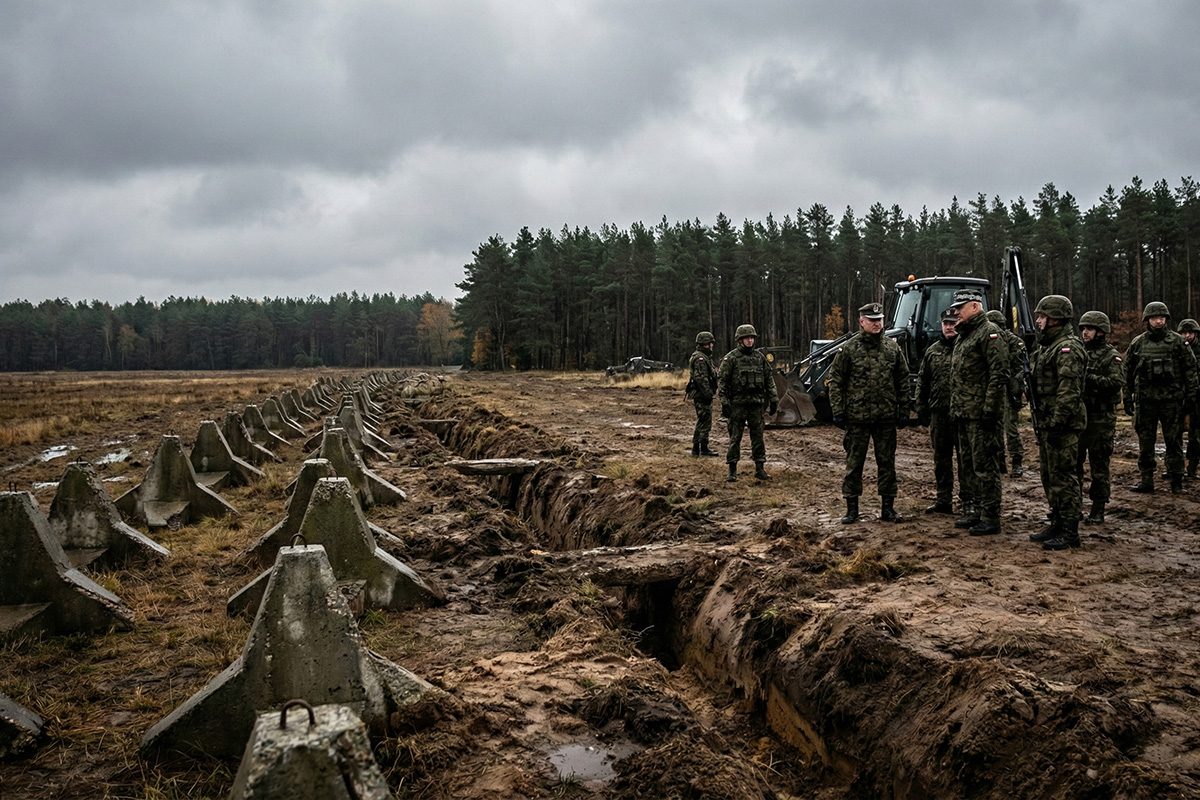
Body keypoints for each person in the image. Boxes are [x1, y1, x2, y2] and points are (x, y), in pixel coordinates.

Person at [826, 302, 910, 523]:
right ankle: (852, 509)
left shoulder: (892, 348)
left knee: (887, 463)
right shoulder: (849, 349)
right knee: (854, 464)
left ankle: (888, 509)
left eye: (880, 320)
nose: (877, 324)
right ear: (861, 321)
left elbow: (902, 379)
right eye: (872, 320)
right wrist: (838, 411)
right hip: (857, 418)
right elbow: (836, 381)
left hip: (885, 417)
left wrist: (904, 409)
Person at [1026, 296, 1086, 550]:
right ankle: (1058, 521)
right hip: (1048, 421)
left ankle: (1070, 531)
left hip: (1063, 424)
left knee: (1064, 476)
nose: (1038, 321)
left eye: (1042, 316)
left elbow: (1068, 391)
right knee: (1049, 475)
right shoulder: (1047, 347)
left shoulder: (1068, 348)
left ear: (1056, 318)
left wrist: (1058, 422)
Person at [948, 289, 1009, 535]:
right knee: (969, 465)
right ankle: (976, 511)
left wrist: (989, 411)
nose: (955, 313)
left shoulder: (990, 334)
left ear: (975, 306)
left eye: (960, 308)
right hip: (964, 412)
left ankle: (990, 516)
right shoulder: (965, 336)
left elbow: (999, 375)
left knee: (985, 466)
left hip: (981, 415)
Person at [1124, 302, 1198, 494]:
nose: (1159, 321)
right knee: (1145, 442)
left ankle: (1176, 480)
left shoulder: (1178, 342)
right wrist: (1127, 396)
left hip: (1171, 401)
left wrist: (1191, 396)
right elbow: (1128, 371)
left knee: (1173, 441)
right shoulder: (1138, 343)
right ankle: (1146, 479)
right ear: (1147, 320)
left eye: (1162, 317)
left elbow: (1190, 369)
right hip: (1146, 401)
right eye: (1155, 317)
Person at [1075, 311, 1123, 524]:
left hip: (1101, 419)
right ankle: (1073, 506)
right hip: (1079, 417)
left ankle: (1098, 507)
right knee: (1074, 464)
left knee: (1099, 466)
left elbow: (1116, 382)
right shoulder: (1078, 352)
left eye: (1090, 329)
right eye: (1083, 328)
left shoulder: (1110, 356)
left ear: (1101, 332)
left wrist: (1088, 378)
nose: (1085, 332)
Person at [915, 307, 961, 514]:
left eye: (953, 323)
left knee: (965, 460)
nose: (950, 327)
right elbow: (923, 381)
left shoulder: (966, 347)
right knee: (941, 460)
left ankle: (968, 501)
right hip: (939, 414)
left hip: (962, 414)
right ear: (941, 325)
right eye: (946, 324)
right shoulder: (932, 351)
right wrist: (921, 406)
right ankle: (944, 500)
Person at [718, 324, 778, 482]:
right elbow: (722, 382)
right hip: (737, 405)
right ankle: (732, 469)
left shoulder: (759, 358)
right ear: (740, 340)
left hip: (756, 405)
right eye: (747, 338)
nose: (750, 340)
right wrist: (724, 402)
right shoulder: (731, 358)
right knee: (735, 438)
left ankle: (760, 468)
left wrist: (773, 398)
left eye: (752, 338)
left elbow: (769, 379)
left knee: (758, 437)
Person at [986, 309, 1028, 477]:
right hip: (994, 389)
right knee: (994, 428)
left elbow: (1020, 369)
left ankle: (1016, 461)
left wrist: (1016, 391)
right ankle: (999, 460)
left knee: (1010, 428)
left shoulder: (1014, 342)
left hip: (1009, 390)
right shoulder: (989, 341)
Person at [686, 331, 719, 457]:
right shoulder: (700, 358)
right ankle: (697, 449)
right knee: (703, 421)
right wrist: (708, 394)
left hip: (703, 394)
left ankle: (703, 448)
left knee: (705, 421)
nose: (712, 346)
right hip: (702, 395)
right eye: (710, 343)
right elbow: (702, 379)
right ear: (705, 344)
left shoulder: (705, 357)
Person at [1179, 318, 1200, 479]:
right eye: (1184, 333)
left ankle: (1192, 468)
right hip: (1179, 397)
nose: (1187, 336)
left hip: (1197, 398)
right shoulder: (1177, 348)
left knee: (1195, 435)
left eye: (1190, 333)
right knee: (1175, 434)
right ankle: (1176, 468)